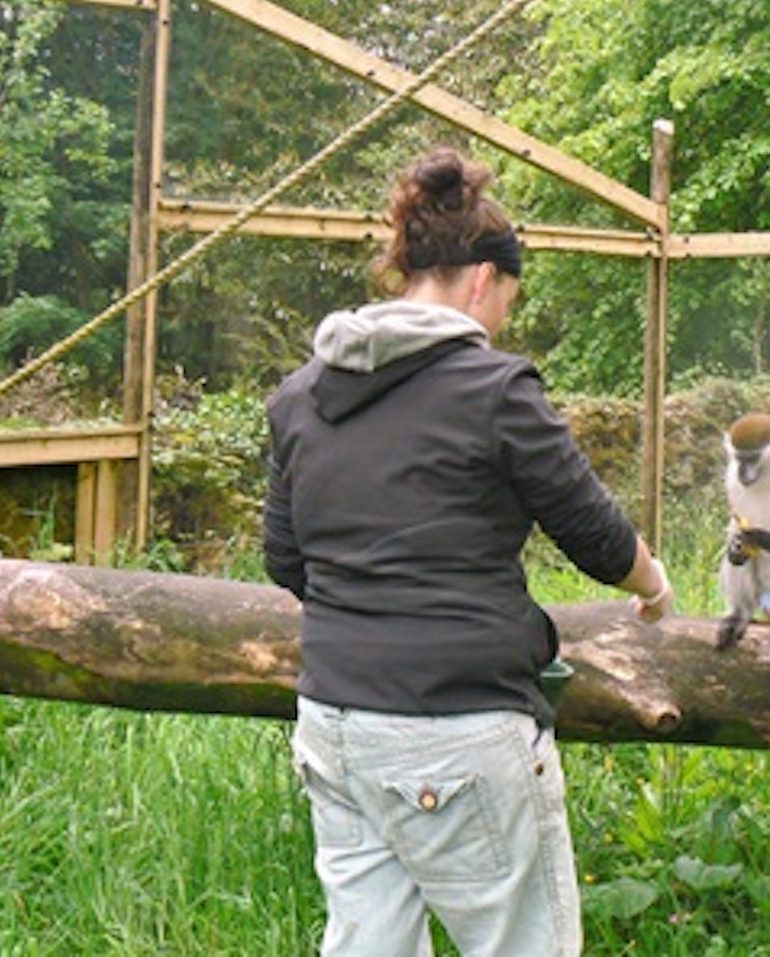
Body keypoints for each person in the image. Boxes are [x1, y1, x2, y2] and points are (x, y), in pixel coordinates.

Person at [262, 146, 674, 957]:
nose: (500, 324)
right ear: (483, 277)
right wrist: (654, 584)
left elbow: (286, 559)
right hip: (456, 724)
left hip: (334, 724)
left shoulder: (301, 395)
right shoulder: (493, 388)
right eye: (507, 302)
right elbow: (592, 532)